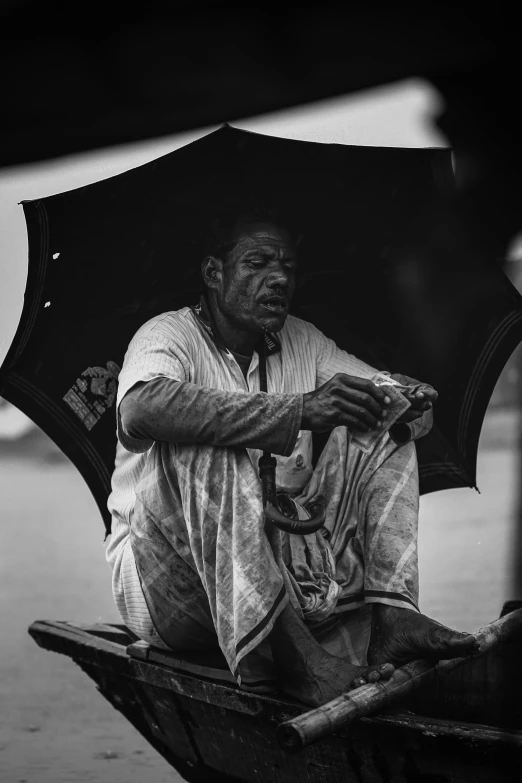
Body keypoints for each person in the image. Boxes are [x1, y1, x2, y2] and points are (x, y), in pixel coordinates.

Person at [106, 215, 478, 707]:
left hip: (290, 569)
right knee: (201, 437)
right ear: (214, 273)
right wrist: (300, 409)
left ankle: (395, 613)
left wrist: (404, 398)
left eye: (287, 267)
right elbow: (140, 411)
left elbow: (386, 399)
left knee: (381, 432)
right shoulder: (166, 336)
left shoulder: (304, 340)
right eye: (257, 264)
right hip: (174, 592)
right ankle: (297, 660)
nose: (278, 278)